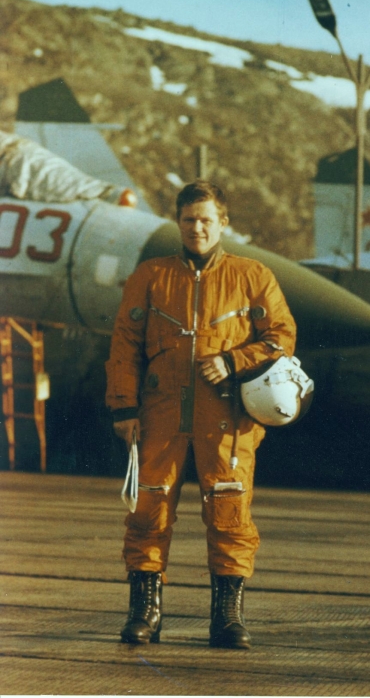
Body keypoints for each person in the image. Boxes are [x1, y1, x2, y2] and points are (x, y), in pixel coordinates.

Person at [106, 180, 296, 648]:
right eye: (189, 219)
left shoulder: (253, 277)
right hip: (160, 415)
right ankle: (145, 615)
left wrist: (231, 361)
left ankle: (228, 620)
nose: (197, 228)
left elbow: (281, 337)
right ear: (178, 222)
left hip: (228, 419)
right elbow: (125, 347)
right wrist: (124, 408)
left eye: (207, 220)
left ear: (223, 223)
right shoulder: (150, 276)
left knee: (230, 514)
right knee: (148, 511)